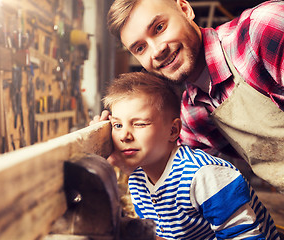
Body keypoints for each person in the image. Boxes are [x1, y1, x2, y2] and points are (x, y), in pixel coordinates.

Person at [100, 0, 284, 192]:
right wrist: (119, 150)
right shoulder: (192, 114)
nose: (156, 51)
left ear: (185, 9)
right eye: (140, 48)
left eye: (159, 27)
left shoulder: (262, 30)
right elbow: (173, 180)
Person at [103, 71, 280, 239]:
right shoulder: (137, 179)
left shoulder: (204, 176)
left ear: (173, 131)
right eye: (117, 125)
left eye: (140, 124)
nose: (124, 135)